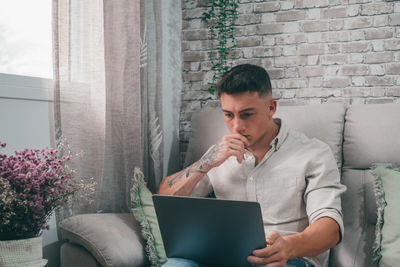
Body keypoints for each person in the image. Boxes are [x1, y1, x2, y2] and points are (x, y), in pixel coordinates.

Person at [157, 64, 346, 267]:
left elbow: (330, 228)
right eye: (229, 115)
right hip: (220, 257)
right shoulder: (217, 154)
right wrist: (206, 163)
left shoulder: (313, 153)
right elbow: (163, 200)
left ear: (271, 108)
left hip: (287, 260)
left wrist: (288, 246)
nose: (237, 126)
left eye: (247, 114)